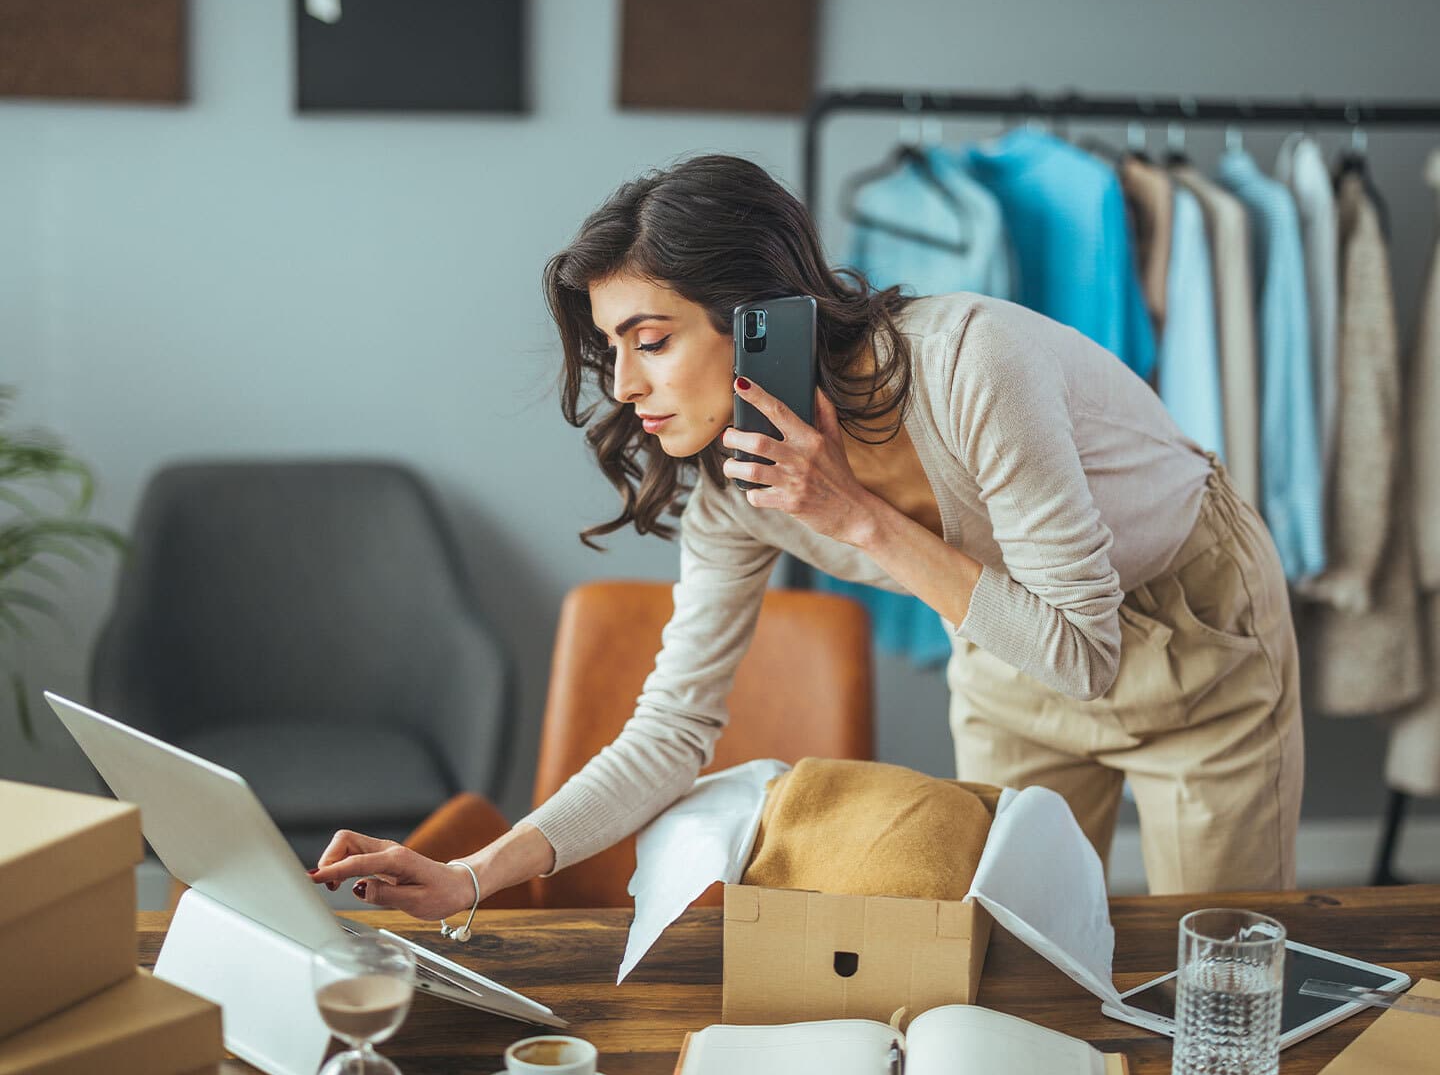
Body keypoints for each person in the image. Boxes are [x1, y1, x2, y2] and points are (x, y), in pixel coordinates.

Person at [310, 154, 1303, 918]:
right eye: (612, 347)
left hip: (1190, 627)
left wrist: (855, 518)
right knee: (1010, 946)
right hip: (1009, 655)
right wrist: (471, 877)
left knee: (1214, 953)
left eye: (650, 341)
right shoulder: (739, 490)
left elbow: (1085, 656)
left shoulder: (975, 366)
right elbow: (671, 730)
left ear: (756, 322)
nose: (621, 385)